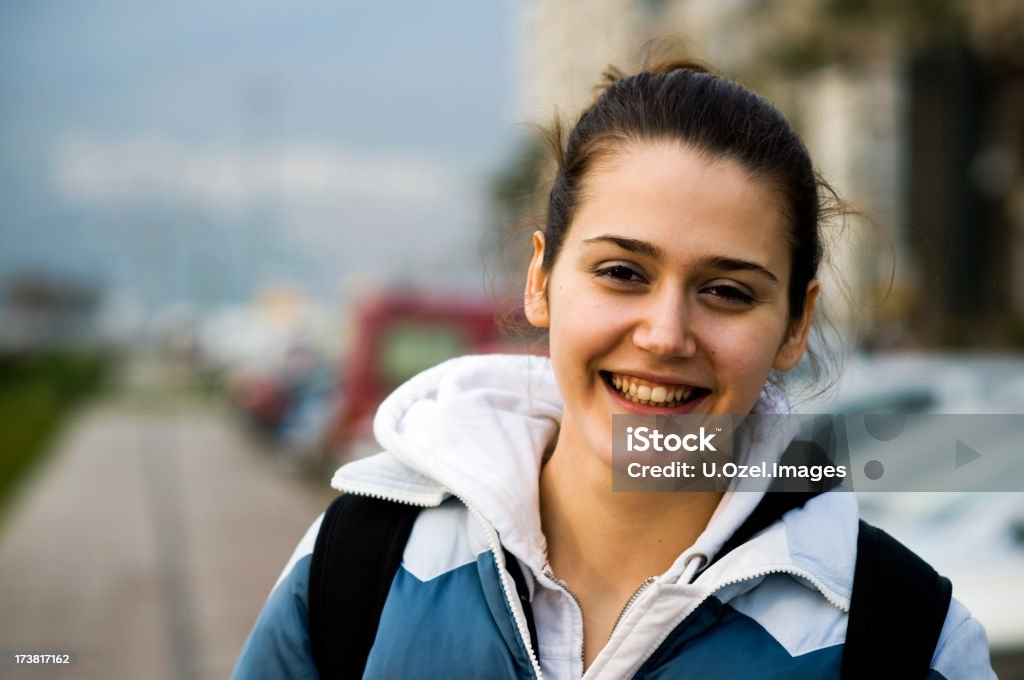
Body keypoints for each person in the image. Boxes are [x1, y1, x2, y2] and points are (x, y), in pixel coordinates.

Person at [231, 59, 995, 678]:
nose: (665, 335)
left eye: (727, 292)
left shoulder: (906, 638)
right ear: (541, 280)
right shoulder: (362, 561)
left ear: (795, 324)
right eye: (622, 273)